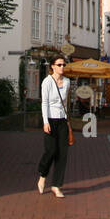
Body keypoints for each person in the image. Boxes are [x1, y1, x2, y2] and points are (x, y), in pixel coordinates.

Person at [37, 58, 72, 198]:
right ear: (53, 67)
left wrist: (67, 120)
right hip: (50, 120)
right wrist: (45, 122)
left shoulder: (68, 82)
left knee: (62, 154)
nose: (62, 67)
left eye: (64, 64)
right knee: (50, 151)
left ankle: (56, 185)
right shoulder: (47, 81)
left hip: (62, 120)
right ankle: (42, 175)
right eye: (59, 65)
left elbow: (65, 103)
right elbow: (44, 103)